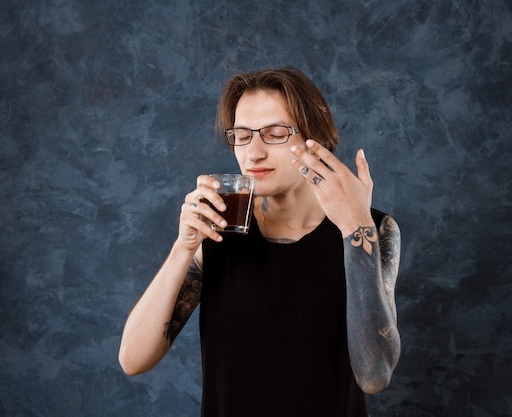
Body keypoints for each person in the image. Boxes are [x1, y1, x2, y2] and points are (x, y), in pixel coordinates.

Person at [119, 67, 401, 416]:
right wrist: (183, 247)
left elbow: (374, 376)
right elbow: (133, 359)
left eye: (274, 133)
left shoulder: (372, 228)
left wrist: (355, 225)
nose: (253, 153)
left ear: (315, 138)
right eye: (241, 135)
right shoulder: (218, 227)